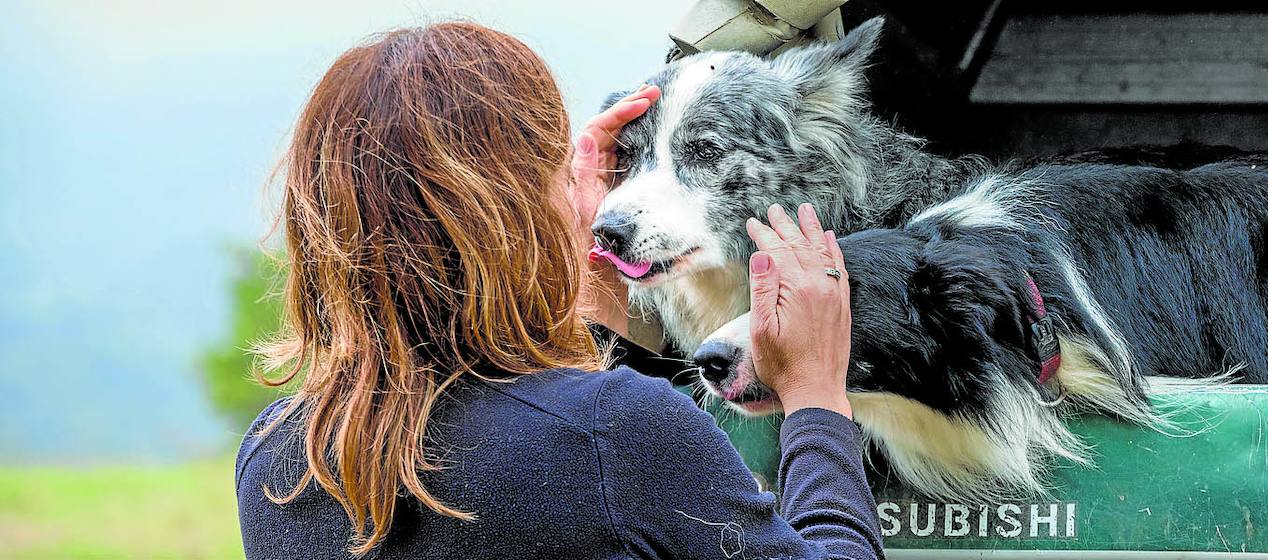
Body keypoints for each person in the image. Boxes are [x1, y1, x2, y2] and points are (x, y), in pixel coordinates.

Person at [235, 21, 882, 559]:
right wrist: (817, 395)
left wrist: (598, 289)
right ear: (514, 205)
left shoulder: (271, 459)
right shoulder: (620, 435)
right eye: (555, 166)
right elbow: (589, 447)